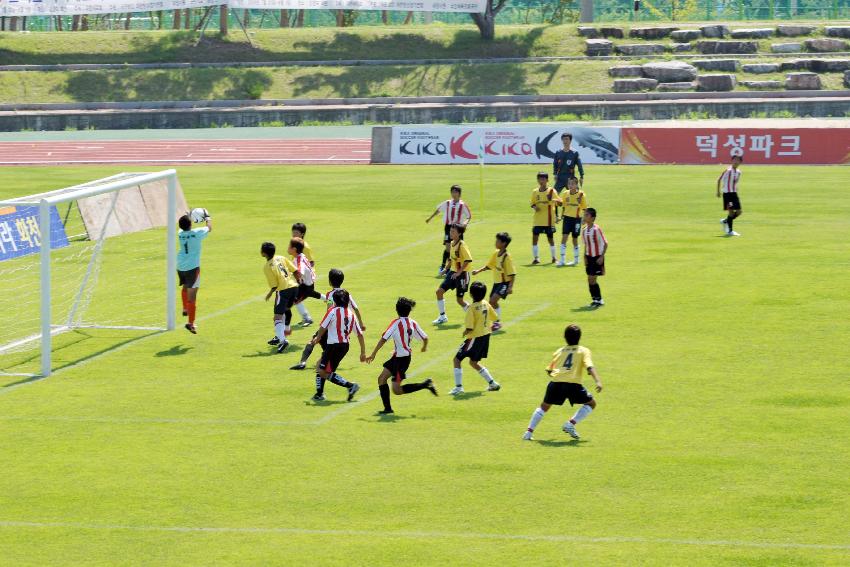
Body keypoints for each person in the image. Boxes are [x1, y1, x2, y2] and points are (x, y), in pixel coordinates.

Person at [522, 324, 603, 441]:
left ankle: (528, 433)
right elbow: (589, 367)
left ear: (565, 337)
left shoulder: (560, 351)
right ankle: (570, 424)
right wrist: (598, 381)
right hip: (573, 385)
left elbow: (549, 370)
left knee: (544, 407)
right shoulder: (583, 351)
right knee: (591, 404)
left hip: (556, 383)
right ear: (579, 337)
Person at [366, 297, 437, 414]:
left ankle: (426, 384)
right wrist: (424, 347)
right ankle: (387, 409)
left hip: (401, 361)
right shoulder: (413, 323)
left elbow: (384, 339)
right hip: (399, 357)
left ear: (397, 310)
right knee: (381, 379)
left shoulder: (396, 323)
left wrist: (373, 354)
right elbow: (425, 337)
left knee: (397, 390)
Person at [291, 268, 365, 371]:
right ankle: (326, 362)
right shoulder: (347, 294)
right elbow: (356, 308)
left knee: (313, 341)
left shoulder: (330, 295)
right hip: (343, 325)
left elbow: (329, 311)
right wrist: (361, 323)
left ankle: (303, 362)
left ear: (330, 281)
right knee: (328, 347)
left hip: (330, 325)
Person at [310, 289, 365, 402]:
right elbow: (360, 335)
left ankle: (350, 386)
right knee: (320, 366)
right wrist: (362, 352)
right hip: (344, 346)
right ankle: (319, 394)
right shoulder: (351, 314)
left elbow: (323, 327)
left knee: (323, 371)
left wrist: (318, 338)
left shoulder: (332, 311)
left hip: (333, 345)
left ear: (334, 301)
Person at [450, 281, 500, 395]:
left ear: (471, 294)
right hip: (485, 337)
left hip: (474, 338)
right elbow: (495, 317)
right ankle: (492, 383)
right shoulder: (486, 303)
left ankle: (458, 387)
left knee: (456, 360)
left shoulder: (471, 308)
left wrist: (465, 332)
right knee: (473, 362)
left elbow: (469, 327)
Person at [471, 232, 515, 332]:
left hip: (504, 283)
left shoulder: (506, 257)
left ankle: (497, 322)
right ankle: (496, 322)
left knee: (492, 301)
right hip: (497, 283)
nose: (495, 242)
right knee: (492, 302)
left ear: (503, 243)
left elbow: (512, 273)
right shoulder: (496, 253)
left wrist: (510, 287)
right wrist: (478, 271)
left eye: (498, 241)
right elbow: (489, 265)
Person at [261, 241, 300, 353]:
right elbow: (295, 270)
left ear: (263, 253)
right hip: (294, 287)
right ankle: (279, 336)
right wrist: (298, 280)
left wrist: (269, 294)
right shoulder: (281, 257)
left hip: (283, 291)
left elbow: (274, 286)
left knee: (277, 316)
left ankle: (283, 341)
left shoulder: (267, 266)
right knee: (282, 313)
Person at [177, 211, 211, 334]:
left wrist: (189, 217)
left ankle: (185, 308)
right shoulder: (197, 233)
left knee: (185, 286)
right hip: (192, 267)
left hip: (180, 265)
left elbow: (185, 226)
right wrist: (207, 218)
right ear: (191, 224)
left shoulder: (180, 233)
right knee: (193, 296)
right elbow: (209, 228)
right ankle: (190, 324)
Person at [425, 185, 472, 276]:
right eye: (452, 192)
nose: (454, 194)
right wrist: (430, 218)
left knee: (458, 248)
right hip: (448, 227)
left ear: (459, 193)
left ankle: (458, 268)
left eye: (455, 192)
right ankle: (443, 267)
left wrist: (465, 223)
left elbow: (469, 216)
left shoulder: (462, 205)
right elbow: (438, 210)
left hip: (458, 228)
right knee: (448, 248)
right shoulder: (447, 203)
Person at [433, 224, 472, 325]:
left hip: (462, 274)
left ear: (459, 233)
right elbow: (451, 259)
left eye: (453, 231)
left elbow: (468, 260)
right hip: (453, 273)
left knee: (460, 300)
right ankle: (442, 316)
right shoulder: (452, 243)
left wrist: (459, 272)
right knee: (439, 292)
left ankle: (473, 315)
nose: (451, 233)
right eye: (450, 231)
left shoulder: (462, 245)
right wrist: (445, 270)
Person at [530, 172, 561, 265]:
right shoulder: (535, 192)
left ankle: (554, 258)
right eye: (539, 179)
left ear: (547, 180)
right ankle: (536, 258)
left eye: (543, 179)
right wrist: (535, 207)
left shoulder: (552, 191)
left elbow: (560, 202)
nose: (541, 181)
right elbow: (532, 203)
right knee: (535, 238)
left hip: (549, 220)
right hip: (538, 220)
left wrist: (553, 200)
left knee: (550, 239)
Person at [289, 237, 321, 327]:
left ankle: (307, 319)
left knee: (296, 300)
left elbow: (300, 271)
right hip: (307, 283)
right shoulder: (300, 256)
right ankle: (330, 299)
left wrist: (292, 277)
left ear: (294, 249)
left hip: (306, 286)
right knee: (313, 294)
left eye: (289, 246)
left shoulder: (299, 260)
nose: (288, 248)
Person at [558, 177, 587, 267]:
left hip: (577, 219)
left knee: (574, 239)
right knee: (564, 237)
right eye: (569, 184)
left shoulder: (581, 195)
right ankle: (562, 260)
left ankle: (576, 260)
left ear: (576, 184)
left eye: (573, 184)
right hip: (567, 219)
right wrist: (560, 216)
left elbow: (585, 208)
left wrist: (584, 220)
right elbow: (563, 206)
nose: (570, 186)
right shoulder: (565, 194)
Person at [582, 208, 607, 308]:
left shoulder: (597, 230)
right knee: (589, 279)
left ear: (592, 218)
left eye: (587, 215)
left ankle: (599, 300)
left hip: (597, 257)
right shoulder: (584, 230)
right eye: (584, 215)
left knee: (592, 279)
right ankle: (595, 299)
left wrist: (602, 256)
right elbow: (586, 245)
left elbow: (605, 243)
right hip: (589, 257)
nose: (584, 216)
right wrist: (584, 256)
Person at [717, 154, 743, 237]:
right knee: (731, 212)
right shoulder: (727, 170)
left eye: (738, 160)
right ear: (732, 161)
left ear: (740, 162)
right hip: (727, 194)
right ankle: (730, 231)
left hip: (734, 194)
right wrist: (718, 191)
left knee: (739, 212)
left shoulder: (739, 172)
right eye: (735, 160)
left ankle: (725, 221)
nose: (736, 161)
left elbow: (735, 182)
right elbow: (719, 180)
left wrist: (736, 189)